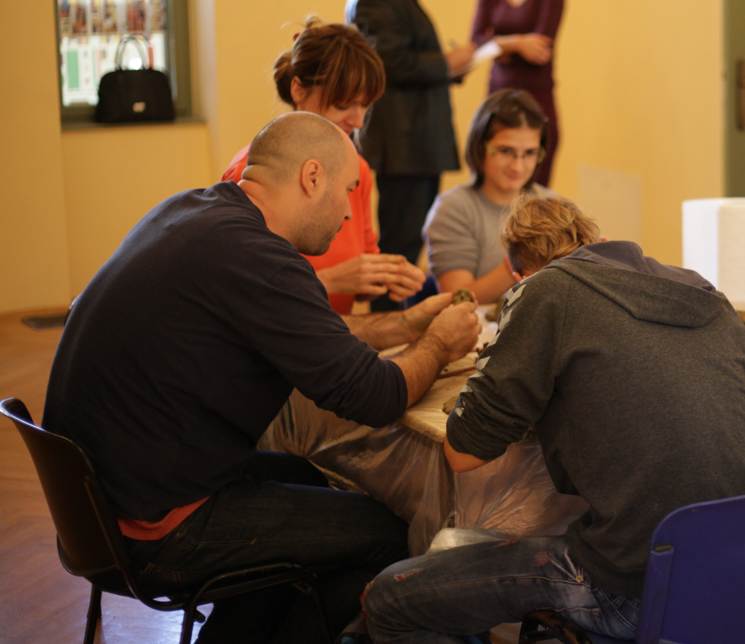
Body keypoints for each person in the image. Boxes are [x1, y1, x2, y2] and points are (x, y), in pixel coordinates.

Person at [43, 112, 481, 644]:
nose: (349, 212)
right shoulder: (262, 259)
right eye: (348, 190)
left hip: (95, 508)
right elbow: (377, 395)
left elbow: (307, 334)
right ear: (312, 176)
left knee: (312, 477)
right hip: (155, 528)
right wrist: (440, 344)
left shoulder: (195, 211)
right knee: (391, 535)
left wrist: (406, 325)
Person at [359, 194, 745, 644]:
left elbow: (463, 452)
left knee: (387, 599)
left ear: (520, 275)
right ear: (601, 243)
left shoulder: (543, 291)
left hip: (630, 588)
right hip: (727, 576)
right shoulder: (705, 293)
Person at [223, 18, 429, 347]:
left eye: (366, 106)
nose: (358, 120)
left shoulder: (356, 171)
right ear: (298, 91)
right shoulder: (253, 173)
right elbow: (244, 301)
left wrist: (386, 277)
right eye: (343, 105)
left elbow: (359, 276)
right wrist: (332, 280)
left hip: (329, 343)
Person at [346, 0, 476, 304]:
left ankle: (394, 320)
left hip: (412, 141)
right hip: (403, 144)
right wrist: (447, 63)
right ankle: (387, 325)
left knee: (405, 245)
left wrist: (449, 69)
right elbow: (389, 63)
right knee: (398, 248)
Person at [422, 89, 550, 304]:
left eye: (530, 153)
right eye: (505, 151)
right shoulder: (454, 207)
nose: (518, 166)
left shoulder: (551, 204)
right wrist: (522, 261)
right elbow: (458, 299)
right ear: (480, 147)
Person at [470, 0, 566, 186]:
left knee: (534, 186)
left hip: (537, 98)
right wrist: (516, 43)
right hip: (497, 95)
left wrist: (497, 44)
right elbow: (476, 43)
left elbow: (540, 49)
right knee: (490, 182)